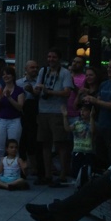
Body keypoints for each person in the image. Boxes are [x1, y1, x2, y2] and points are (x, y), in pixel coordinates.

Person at [26, 129, 111, 221]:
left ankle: (53, 210)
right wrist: (109, 169)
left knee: (88, 193)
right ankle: (55, 214)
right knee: (88, 193)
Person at [33, 48, 74, 186]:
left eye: (54, 57)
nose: (51, 59)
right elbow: (37, 89)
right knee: (45, 143)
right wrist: (35, 90)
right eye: (49, 56)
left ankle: (62, 175)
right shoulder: (43, 71)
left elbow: (67, 92)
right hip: (43, 110)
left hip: (57, 111)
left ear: (59, 59)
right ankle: (48, 174)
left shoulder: (65, 73)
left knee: (60, 144)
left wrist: (49, 91)